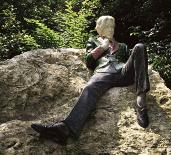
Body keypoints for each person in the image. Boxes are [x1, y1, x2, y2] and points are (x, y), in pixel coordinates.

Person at [31, 16, 150, 145]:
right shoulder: (93, 41)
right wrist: (102, 48)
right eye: (106, 27)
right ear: (99, 29)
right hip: (103, 72)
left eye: (112, 27)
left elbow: (134, 62)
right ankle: (64, 129)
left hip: (122, 72)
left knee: (140, 46)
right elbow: (88, 61)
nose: (110, 29)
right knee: (89, 88)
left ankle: (141, 103)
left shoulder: (123, 46)